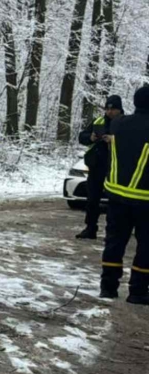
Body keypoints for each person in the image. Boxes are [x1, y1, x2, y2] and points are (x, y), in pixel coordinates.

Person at [99, 85, 149, 304]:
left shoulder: (119, 123)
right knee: (146, 246)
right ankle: (137, 291)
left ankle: (108, 287)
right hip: (145, 198)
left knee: (114, 242)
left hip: (116, 195)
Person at [75, 95, 124, 239]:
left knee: (115, 202)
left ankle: (113, 232)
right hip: (97, 166)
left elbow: (132, 141)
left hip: (117, 167)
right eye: (107, 108)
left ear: (120, 109)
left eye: (113, 109)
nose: (109, 112)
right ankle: (90, 228)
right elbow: (82, 137)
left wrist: (113, 140)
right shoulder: (98, 121)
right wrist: (90, 138)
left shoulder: (125, 123)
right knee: (92, 199)